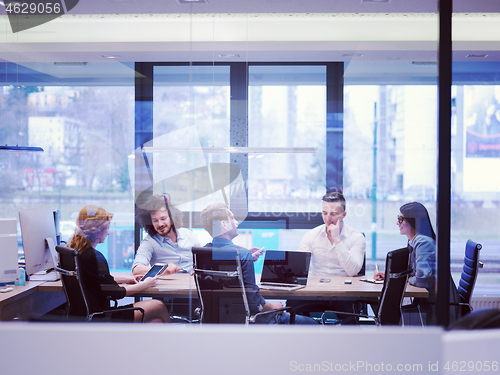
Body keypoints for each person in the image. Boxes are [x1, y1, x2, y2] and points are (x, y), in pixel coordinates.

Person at [200, 202, 317, 325]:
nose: (236, 222)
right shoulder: (242, 254)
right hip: (252, 320)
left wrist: (246, 258)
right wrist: (272, 307)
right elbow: (254, 303)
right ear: (224, 225)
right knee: (312, 323)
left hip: (220, 320)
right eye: (232, 218)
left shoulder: (203, 254)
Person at [67, 205, 171, 323]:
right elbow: (116, 292)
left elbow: (95, 280)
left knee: (156, 321)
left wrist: (128, 279)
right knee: (159, 305)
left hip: (85, 315)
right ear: (96, 230)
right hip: (102, 316)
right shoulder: (93, 256)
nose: (108, 232)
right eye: (106, 228)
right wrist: (145, 284)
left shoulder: (75, 250)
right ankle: (173, 341)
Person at [373, 202, 460, 325]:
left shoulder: (423, 242)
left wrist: (407, 280)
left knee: (390, 315)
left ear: (413, 221)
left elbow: (422, 279)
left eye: (400, 219)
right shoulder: (414, 241)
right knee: (390, 313)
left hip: (437, 308)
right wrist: (389, 276)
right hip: (429, 305)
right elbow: (416, 273)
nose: (397, 223)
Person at [297, 192, 365, 276]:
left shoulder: (356, 237)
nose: (328, 218)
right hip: (317, 286)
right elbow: (299, 266)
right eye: (325, 213)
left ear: (343, 215)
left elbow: (353, 271)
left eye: (333, 214)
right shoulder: (311, 235)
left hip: (345, 286)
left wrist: (337, 240)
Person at [132, 194, 201, 276]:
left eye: (163, 219)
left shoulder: (188, 234)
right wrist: (162, 270)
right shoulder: (149, 242)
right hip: (167, 286)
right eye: (155, 221)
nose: (160, 224)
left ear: (172, 218)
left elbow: (203, 262)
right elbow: (137, 269)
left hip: (192, 284)